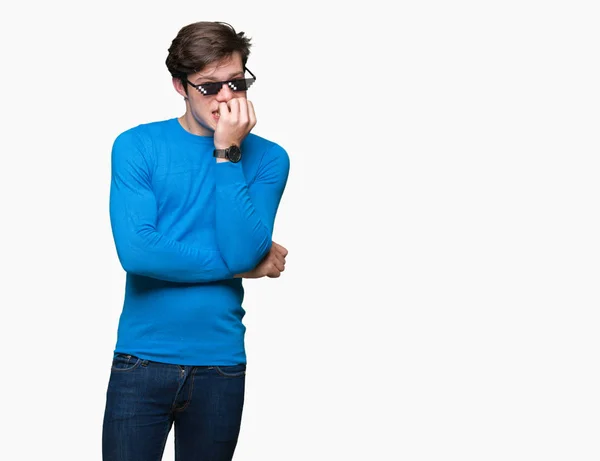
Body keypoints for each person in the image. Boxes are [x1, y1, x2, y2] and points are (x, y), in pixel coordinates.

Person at [102, 21, 290, 461]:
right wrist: (245, 266)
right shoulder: (137, 146)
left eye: (236, 83)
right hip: (141, 359)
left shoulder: (269, 157)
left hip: (220, 363)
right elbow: (138, 251)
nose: (226, 97)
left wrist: (227, 152)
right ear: (179, 86)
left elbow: (243, 250)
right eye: (209, 87)